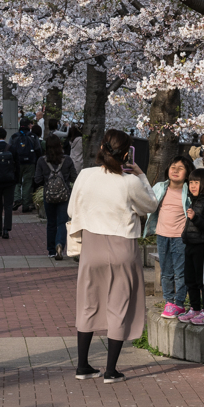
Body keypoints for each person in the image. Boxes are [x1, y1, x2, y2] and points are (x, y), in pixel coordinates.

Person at [67, 129, 159, 384]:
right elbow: (150, 205)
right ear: (126, 153)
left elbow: (71, 208)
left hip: (92, 244)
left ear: (101, 148)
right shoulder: (129, 181)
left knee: (88, 302)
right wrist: (140, 174)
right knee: (119, 304)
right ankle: (110, 370)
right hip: (123, 246)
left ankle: (82, 365)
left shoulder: (85, 175)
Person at [143, 156, 194, 318]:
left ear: (187, 174)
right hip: (162, 235)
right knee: (166, 272)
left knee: (180, 272)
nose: (176, 170)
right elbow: (148, 202)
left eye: (181, 168)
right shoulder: (160, 187)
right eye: (173, 167)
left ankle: (179, 303)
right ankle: (168, 301)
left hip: (180, 237)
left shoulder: (189, 191)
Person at [178, 168, 204, 326]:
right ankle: (195, 308)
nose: (192, 186)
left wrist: (195, 219)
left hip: (203, 246)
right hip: (190, 245)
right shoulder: (194, 202)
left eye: (196, 182)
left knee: (203, 280)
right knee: (190, 280)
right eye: (190, 183)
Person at [33, 136, 78, 260]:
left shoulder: (42, 161)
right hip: (64, 195)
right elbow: (74, 178)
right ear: (60, 146)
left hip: (48, 195)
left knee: (51, 223)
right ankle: (60, 244)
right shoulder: (67, 160)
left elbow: (37, 180)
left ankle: (51, 250)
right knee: (62, 223)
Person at [11, 119, 40, 212]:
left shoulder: (14, 136)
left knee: (17, 182)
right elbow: (38, 149)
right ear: (28, 125)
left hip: (17, 162)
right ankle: (26, 205)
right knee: (28, 183)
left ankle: (17, 199)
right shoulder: (33, 136)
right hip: (30, 162)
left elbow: (10, 149)